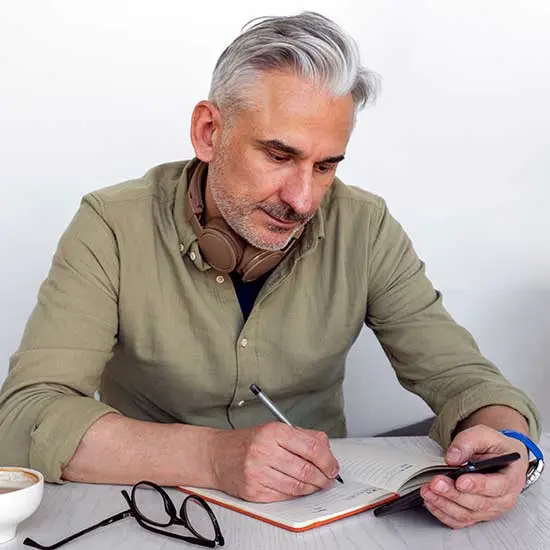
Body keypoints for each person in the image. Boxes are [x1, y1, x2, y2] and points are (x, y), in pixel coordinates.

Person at [0, 11, 542, 530]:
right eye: (279, 156)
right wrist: (213, 458)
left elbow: (469, 382)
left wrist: (510, 446)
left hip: (320, 515)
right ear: (209, 131)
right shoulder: (110, 225)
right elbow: (23, 417)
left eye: (325, 165)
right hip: (153, 512)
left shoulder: (366, 226)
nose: (303, 199)